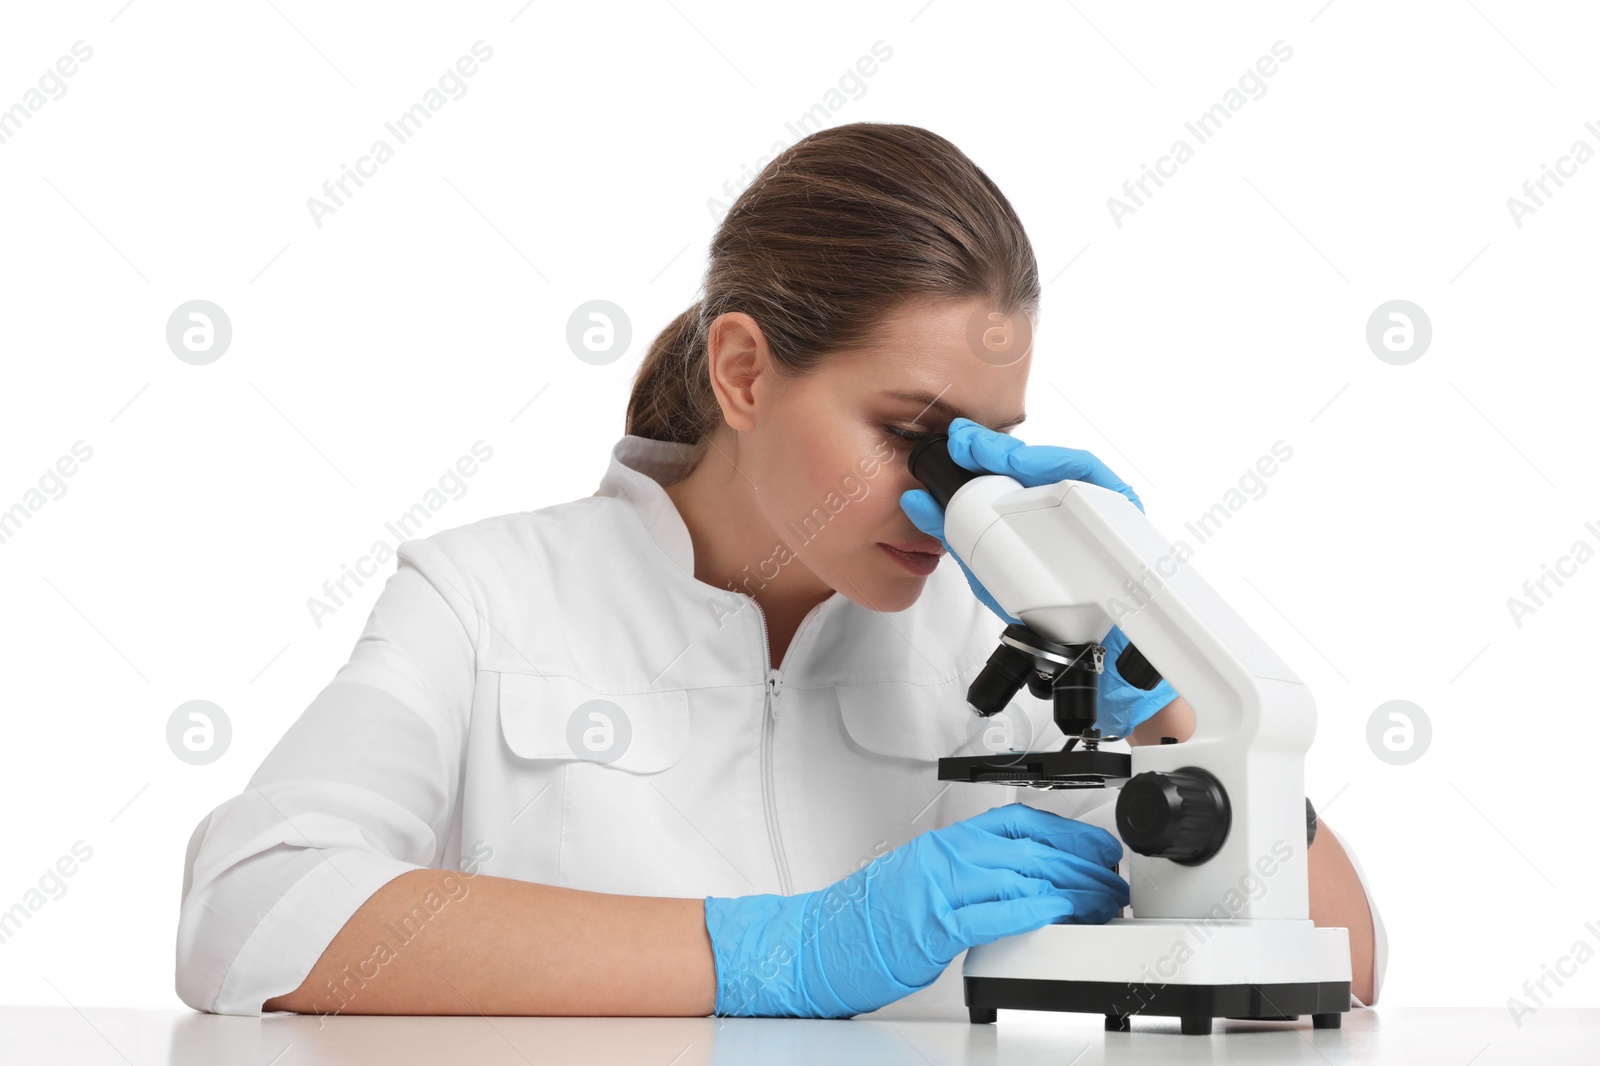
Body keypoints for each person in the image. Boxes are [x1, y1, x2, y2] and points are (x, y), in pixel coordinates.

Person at [174, 122, 1385, 1019]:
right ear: (745, 373)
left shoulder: (999, 646)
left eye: (986, 451)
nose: (945, 500)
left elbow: (1334, 961)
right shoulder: (485, 595)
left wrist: (1183, 696)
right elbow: (252, 916)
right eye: (911, 433)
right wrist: (782, 950)